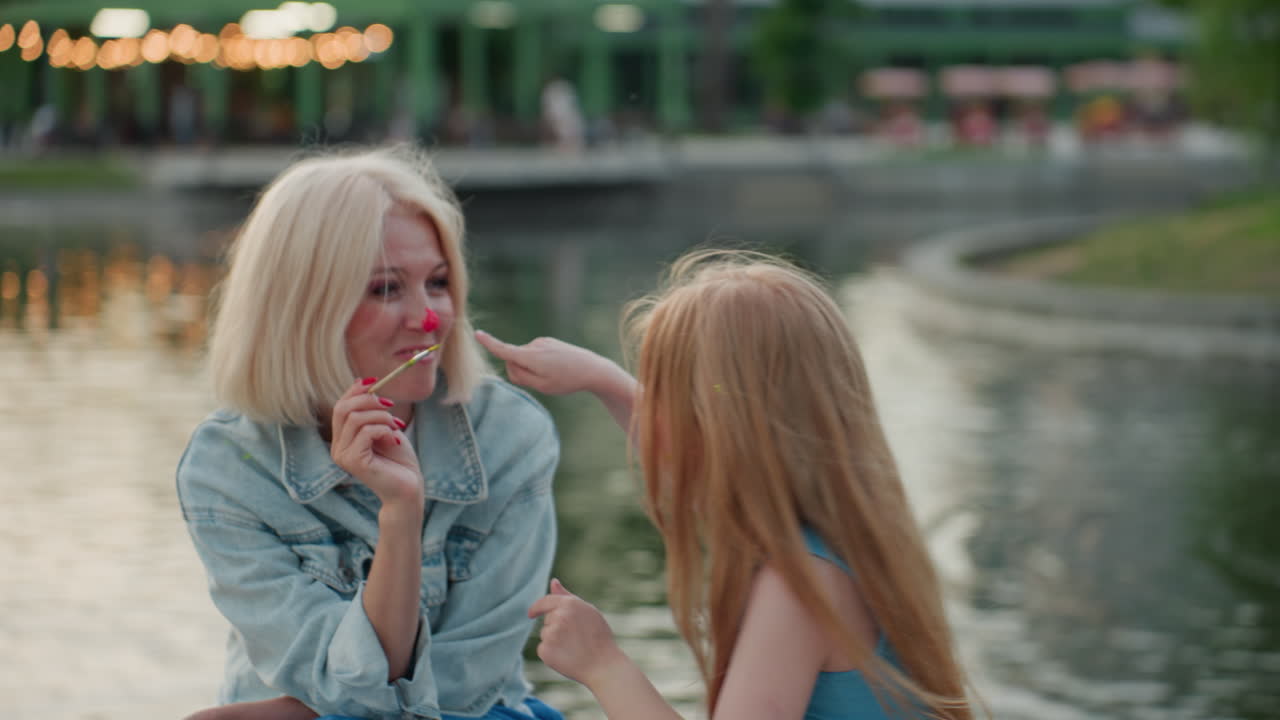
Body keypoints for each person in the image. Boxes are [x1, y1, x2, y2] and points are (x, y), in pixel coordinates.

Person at [475, 249, 975, 720]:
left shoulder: (798, 589)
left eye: (668, 395)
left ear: (724, 427)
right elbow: (686, 448)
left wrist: (602, 664)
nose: (652, 421)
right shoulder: (854, 535)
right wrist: (601, 378)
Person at [176, 145, 563, 720]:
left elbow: (469, 680)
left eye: (438, 283)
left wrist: (298, 713)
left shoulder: (510, 436)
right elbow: (329, 677)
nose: (429, 318)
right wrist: (399, 519)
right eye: (386, 288)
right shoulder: (227, 467)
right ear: (302, 306)